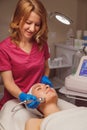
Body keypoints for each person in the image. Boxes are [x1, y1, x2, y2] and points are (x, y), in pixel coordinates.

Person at [0, 0, 53, 110]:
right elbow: (8, 82)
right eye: (28, 23)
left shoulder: (41, 44)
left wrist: (45, 77)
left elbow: (46, 67)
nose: (32, 29)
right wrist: (23, 96)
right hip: (14, 103)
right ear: (18, 19)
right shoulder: (4, 48)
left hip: (37, 102)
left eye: (37, 25)